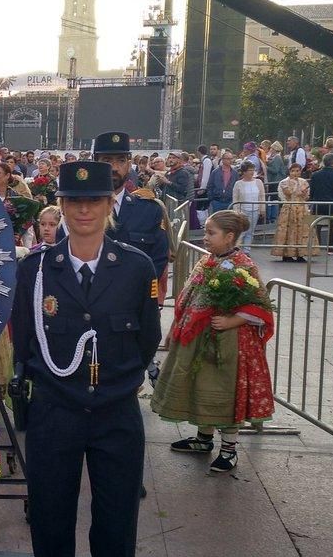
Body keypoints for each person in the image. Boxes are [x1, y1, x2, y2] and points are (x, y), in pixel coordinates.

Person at [11, 160, 161, 557]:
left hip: (117, 415)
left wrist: (109, 388)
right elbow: (26, 344)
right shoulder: (36, 270)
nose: (83, 211)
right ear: (63, 206)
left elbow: (146, 340)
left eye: (94, 201)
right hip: (55, 412)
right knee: (52, 530)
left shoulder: (136, 266)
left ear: (109, 204)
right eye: (73, 202)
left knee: (115, 535)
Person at [153, 210, 274, 472]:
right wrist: (179, 325)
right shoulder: (208, 261)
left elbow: (259, 305)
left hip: (230, 343)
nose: (205, 238)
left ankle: (229, 449)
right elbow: (191, 295)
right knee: (201, 386)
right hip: (199, 338)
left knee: (224, 392)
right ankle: (203, 438)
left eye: (211, 233)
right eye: (206, 232)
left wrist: (232, 321)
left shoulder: (243, 265)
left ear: (229, 236)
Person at [92, 131, 168, 301]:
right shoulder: (80, 212)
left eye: (120, 160)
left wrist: (132, 287)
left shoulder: (149, 210)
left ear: (129, 164)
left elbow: (158, 258)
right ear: (95, 162)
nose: (114, 167)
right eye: (107, 161)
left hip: (135, 301)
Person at [271, 164, 318, 262]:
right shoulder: (284, 182)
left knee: (304, 230)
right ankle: (286, 254)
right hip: (289, 208)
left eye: (297, 171)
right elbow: (288, 193)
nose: (295, 173)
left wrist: (304, 193)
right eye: (293, 171)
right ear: (289, 171)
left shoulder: (304, 182)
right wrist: (298, 190)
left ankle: (301, 253)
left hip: (302, 208)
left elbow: (307, 196)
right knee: (289, 230)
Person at [309, 152, 333, 255]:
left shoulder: (315, 175)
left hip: (318, 203)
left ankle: (317, 247)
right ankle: (330, 249)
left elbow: (312, 191)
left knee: (317, 226)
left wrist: (312, 200)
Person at [230, 162, 265, 253]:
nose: (252, 172)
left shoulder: (258, 182)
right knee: (241, 231)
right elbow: (235, 198)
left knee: (251, 232)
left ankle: (247, 251)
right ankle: (236, 250)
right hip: (243, 211)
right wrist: (236, 211)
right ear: (244, 172)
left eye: (253, 170)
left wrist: (262, 209)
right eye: (250, 170)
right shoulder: (238, 184)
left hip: (255, 210)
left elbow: (261, 196)